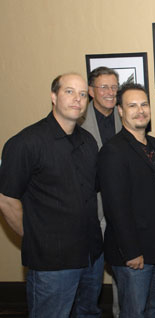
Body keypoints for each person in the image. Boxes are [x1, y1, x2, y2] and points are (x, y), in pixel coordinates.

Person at [0, 73, 104, 317]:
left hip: (91, 255)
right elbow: (6, 199)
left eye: (82, 95)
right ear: (53, 96)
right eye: (69, 92)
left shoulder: (88, 142)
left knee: (89, 313)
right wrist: (36, 237)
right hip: (52, 262)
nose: (77, 99)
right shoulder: (25, 143)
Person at [98, 83, 155, 318]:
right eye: (132, 105)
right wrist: (132, 252)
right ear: (121, 111)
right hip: (134, 256)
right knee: (134, 312)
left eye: (144, 104)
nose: (140, 110)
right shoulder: (113, 151)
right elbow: (116, 208)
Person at [78, 66, 122, 318]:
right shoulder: (77, 120)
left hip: (120, 211)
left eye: (114, 87)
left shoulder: (124, 115)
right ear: (92, 91)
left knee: (124, 276)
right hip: (89, 213)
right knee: (89, 280)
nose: (110, 92)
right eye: (104, 87)